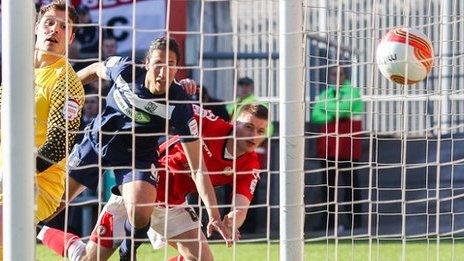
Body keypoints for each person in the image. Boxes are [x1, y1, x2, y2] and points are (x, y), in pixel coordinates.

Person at [46, 36, 230, 260]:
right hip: (97, 142)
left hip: (136, 156)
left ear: (177, 68)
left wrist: (214, 214)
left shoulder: (179, 105)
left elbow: (198, 168)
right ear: (146, 64)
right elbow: (95, 69)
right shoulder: (125, 70)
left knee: (142, 210)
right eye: (158, 63)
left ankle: (127, 251)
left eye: (171, 64)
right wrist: (64, 89)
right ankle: (54, 238)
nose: (164, 71)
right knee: (51, 206)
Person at [38, 103, 268, 261]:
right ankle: (46, 232)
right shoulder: (209, 124)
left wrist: (231, 221)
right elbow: (176, 106)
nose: (253, 135)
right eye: (248, 126)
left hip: (174, 206)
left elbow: (241, 206)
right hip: (139, 191)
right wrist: (184, 87)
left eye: (260, 131)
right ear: (234, 122)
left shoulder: (251, 164)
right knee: (88, 259)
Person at [0, 0, 84, 259]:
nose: (54, 30)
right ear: (36, 28)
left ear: (70, 38)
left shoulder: (66, 81)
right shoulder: (16, 73)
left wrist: (17, 174)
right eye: (49, 23)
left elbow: (61, 142)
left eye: (63, 27)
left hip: (38, 185)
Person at [310, 66, 364, 233]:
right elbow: (315, 116)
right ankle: (328, 221)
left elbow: (345, 109)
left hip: (348, 147)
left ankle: (354, 221)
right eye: (333, 74)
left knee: (351, 185)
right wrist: (335, 112)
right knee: (328, 186)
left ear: (344, 75)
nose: (336, 77)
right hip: (328, 147)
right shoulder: (324, 94)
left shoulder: (353, 92)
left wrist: (328, 109)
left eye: (339, 73)